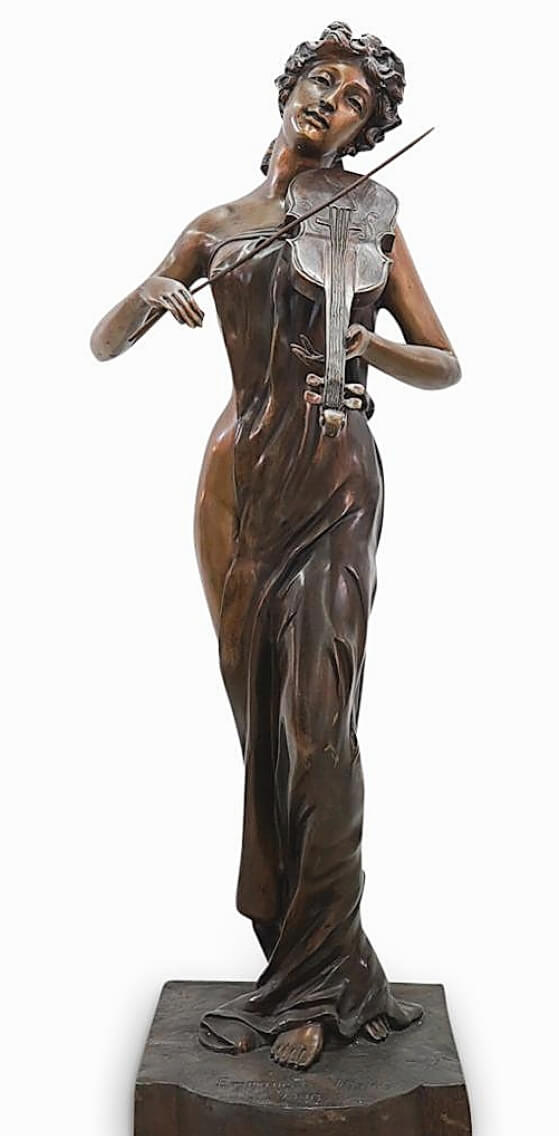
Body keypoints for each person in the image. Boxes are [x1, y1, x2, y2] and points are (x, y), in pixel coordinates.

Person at [91, 22, 461, 1071]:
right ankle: (307, 954)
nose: (329, 100)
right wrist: (148, 293)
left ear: (361, 134)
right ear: (289, 87)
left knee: (317, 724)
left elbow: (443, 360)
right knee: (261, 727)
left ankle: (322, 977)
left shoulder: (370, 215)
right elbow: (104, 340)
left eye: (353, 101)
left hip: (335, 474)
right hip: (237, 485)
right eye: (320, 80)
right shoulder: (215, 226)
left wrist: (371, 344)